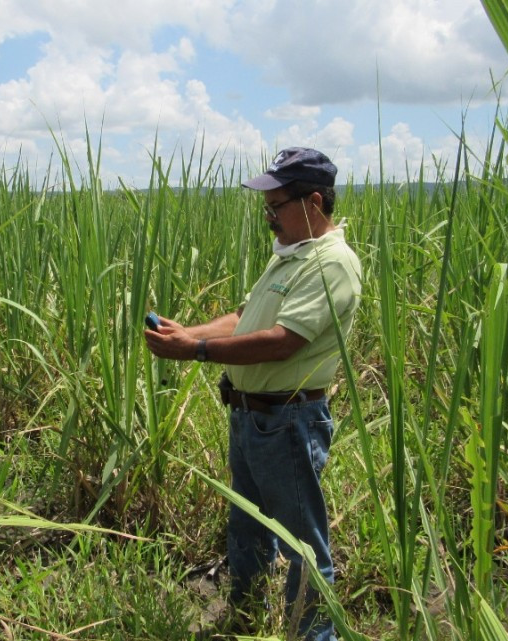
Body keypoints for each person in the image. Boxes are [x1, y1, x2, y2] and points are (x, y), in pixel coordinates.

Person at [144, 147, 362, 641]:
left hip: (288, 422)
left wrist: (196, 351)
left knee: (303, 544)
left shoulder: (332, 264)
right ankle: (242, 617)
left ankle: (313, 636)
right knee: (246, 528)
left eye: (276, 205)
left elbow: (283, 343)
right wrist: (188, 331)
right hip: (251, 419)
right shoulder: (290, 257)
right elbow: (243, 320)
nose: (269, 218)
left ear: (313, 201)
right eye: (266, 207)